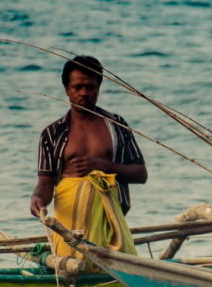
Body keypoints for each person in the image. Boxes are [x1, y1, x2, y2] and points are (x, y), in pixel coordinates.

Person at [30, 55, 148, 258]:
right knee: (70, 267)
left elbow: (140, 174)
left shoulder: (117, 125)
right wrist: (38, 198)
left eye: (90, 87)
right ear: (67, 90)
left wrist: (105, 166)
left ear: (98, 88)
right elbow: (46, 182)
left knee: (118, 266)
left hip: (111, 224)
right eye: (77, 87)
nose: (84, 93)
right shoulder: (52, 134)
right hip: (69, 226)